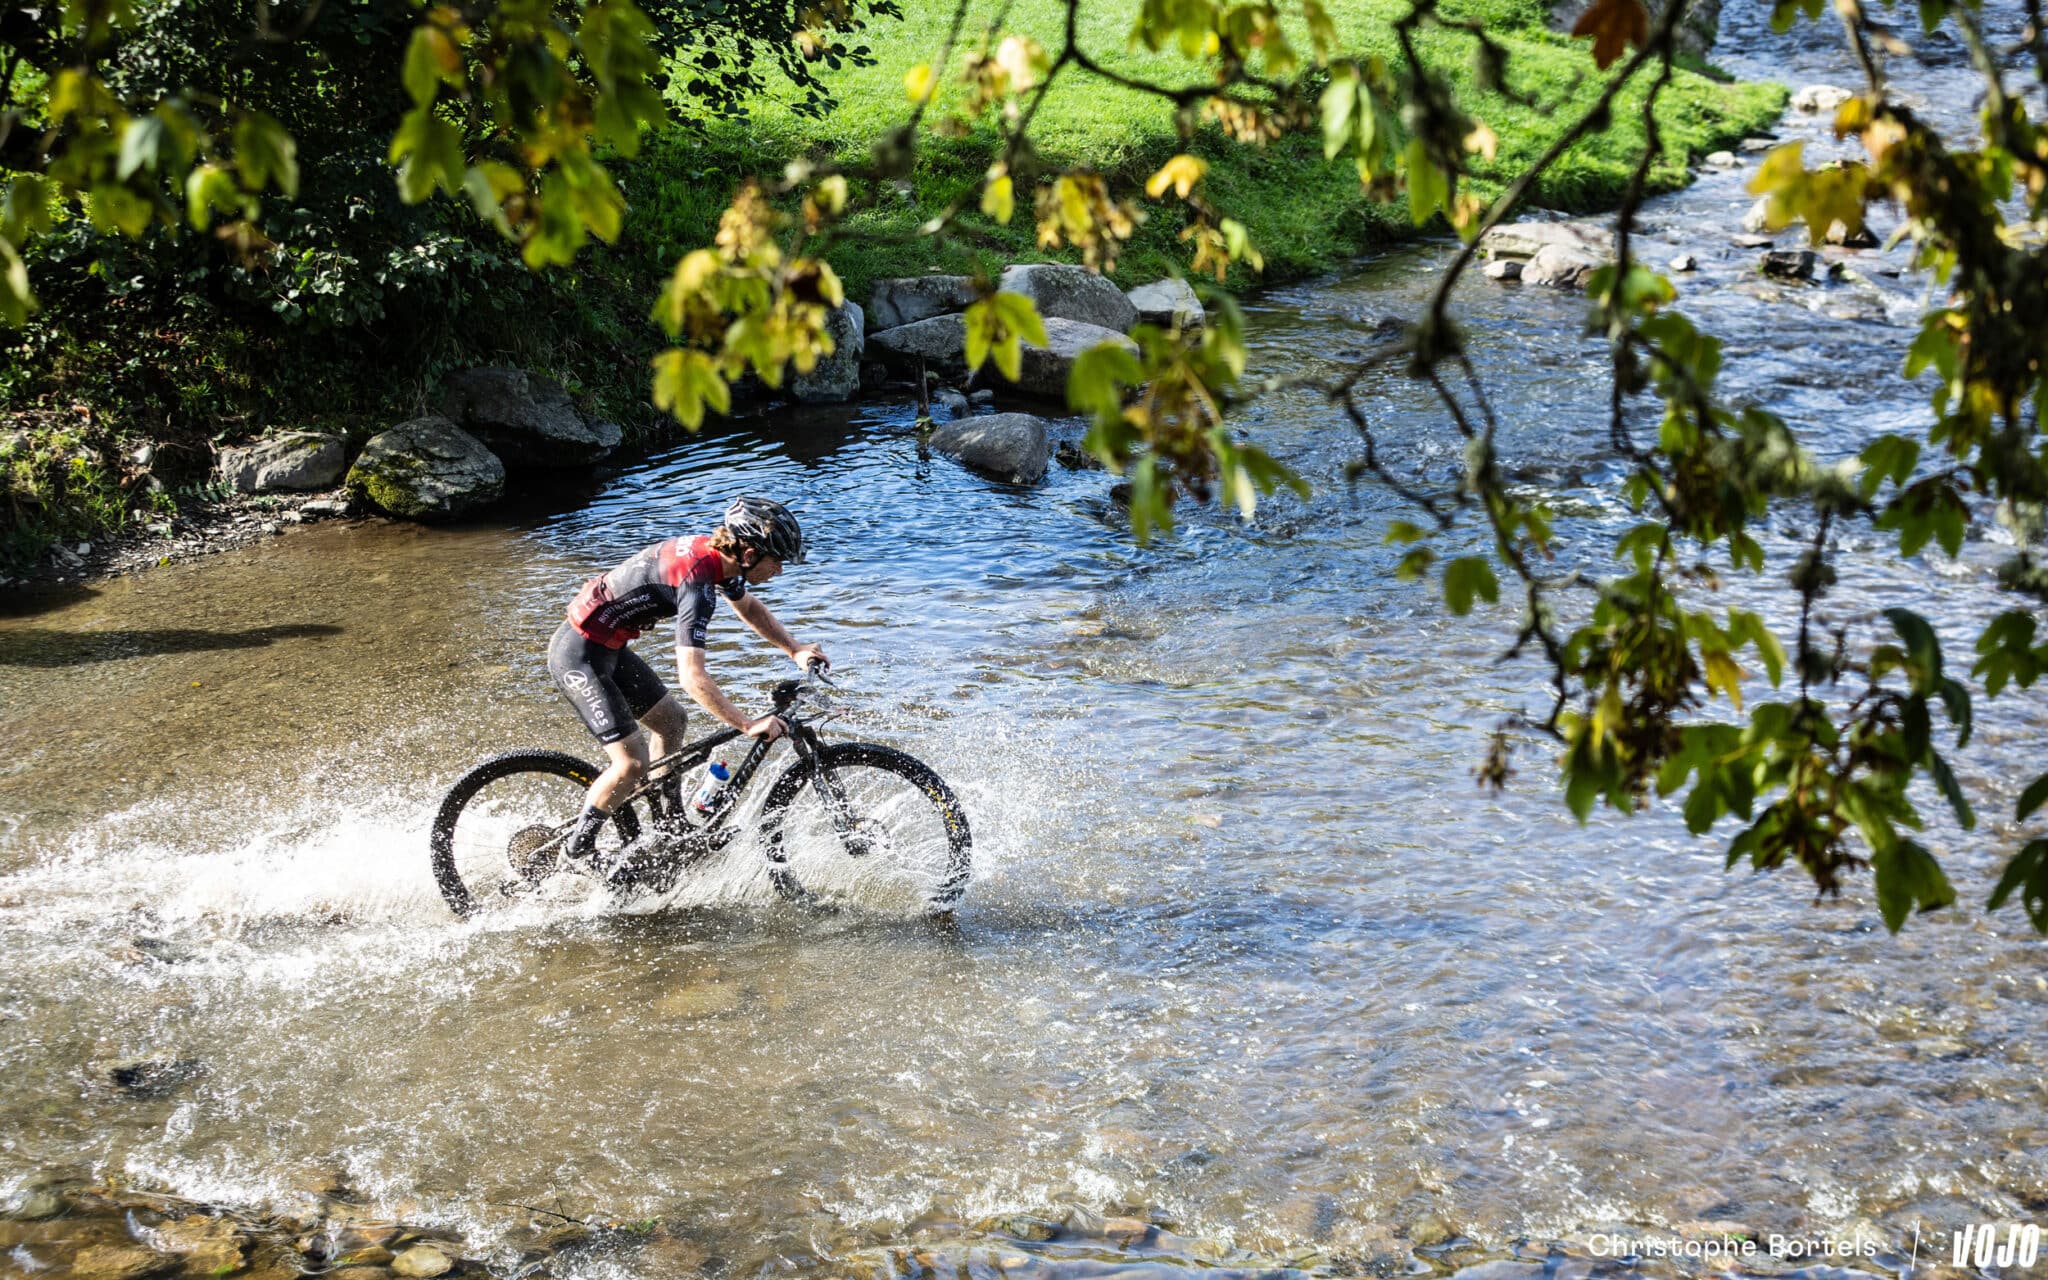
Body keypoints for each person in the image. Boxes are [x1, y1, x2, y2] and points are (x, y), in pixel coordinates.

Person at [547, 496, 828, 859]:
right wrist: (747, 724)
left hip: (608, 649)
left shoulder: (716, 560)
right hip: (578, 655)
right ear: (747, 554)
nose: (779, 571)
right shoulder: (697, 585)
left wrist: (795, 648)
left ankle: (669, 827)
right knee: (631, 764)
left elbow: (748, 606)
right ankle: (576, 851)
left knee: (671, 721)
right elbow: (692, 677)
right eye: (775, 561)